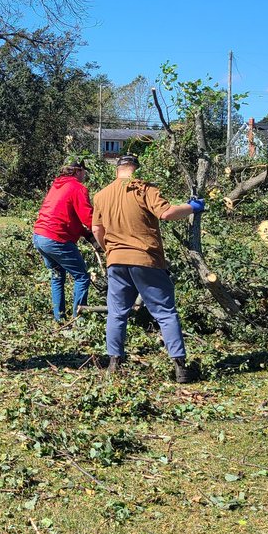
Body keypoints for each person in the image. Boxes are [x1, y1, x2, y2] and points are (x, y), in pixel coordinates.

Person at [91, 155, 204, 383]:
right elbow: (166, 213)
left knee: (117, 312)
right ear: (136, 169)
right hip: (146, 259)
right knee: (165, 312)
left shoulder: (101, 195)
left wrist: (109, 250)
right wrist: (192, 207)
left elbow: (96, 229)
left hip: (116, 261)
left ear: (118, 170)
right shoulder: (144, 188)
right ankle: (180, 367)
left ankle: (114, 363)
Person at [32, 158, 98, 321]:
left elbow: (68, 217)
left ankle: (59, 318)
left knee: (57, 276)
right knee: (82, 277)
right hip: (56, 239)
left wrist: (87, 235)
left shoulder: (56, 185)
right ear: (77, 171)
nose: (84, 175)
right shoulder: (78, 188)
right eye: (83, 171)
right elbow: (87, 218)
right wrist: (102, 234)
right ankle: (79, 319)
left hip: (40, 237)